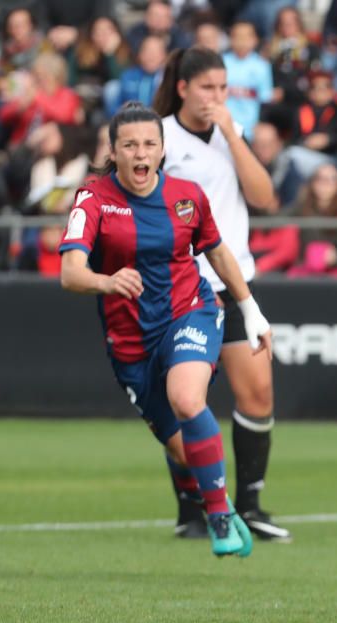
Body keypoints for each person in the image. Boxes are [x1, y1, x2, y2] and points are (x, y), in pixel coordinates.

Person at [58, 102, 268, 557]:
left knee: (188, 399)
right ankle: (218, 501)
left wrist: (251, 309)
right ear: (113, 151)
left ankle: (218, 517)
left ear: (162, 149)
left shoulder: (187, 195)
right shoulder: (92, 199)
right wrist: (105, 280)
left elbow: (216, 251)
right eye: (129, 144)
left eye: (149, 144)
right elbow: (70, 272)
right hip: (130, 343)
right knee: (182, 452)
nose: (140, 153)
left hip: (188, 312)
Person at [152, 46, 291, 542]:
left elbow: (264, 196)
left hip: (232, 282)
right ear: (184, 88)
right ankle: (192, 507)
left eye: (223, 88)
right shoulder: (160, 135)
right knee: (187, 399)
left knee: (257, 391)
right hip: (178, 284)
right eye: (207, 88)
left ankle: (250, 504)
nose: (216, 97)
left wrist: (232, 133)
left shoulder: (234, 136)